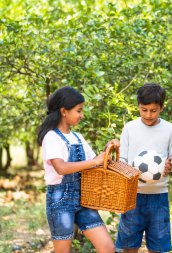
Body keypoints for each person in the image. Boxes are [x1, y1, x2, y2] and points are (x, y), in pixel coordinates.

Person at [37, 86, 118, 253]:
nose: (82, 115)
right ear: (64, 111)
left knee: (108, 248)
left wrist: (109, 148)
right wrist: (93, 161)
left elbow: (96, 162)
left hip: (84, 199)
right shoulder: (51, 137)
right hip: (60, 201)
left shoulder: (78, 137)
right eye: (79, 110)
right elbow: (61, 168)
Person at [115, 83, 172, 253]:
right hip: (132, 195)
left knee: (158, 245)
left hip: (159, 196)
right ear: (138, 106)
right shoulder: (130, 128)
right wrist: (128, 170)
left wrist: (170, 166)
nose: (148, 115)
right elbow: (122, 158)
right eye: (144, 110)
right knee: (129, 244)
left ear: (162, 108)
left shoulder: (169, 129)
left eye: (153, 110)